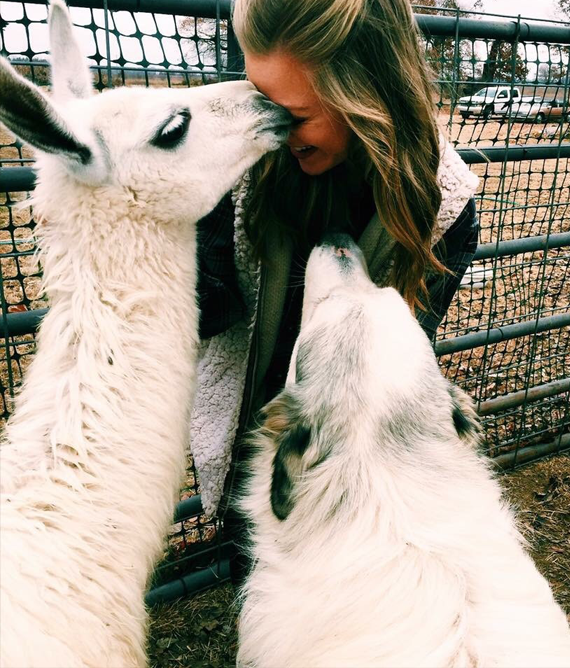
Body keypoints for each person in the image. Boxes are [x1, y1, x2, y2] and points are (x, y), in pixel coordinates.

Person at [190, 0, 479, 579]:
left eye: (292, 114)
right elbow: (207, 307)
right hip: (255, 439)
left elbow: (396, 355)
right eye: (259, 98)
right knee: (255, 577)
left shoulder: (443, 205)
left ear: (364, 95)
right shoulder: (241, 158)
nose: (269, 130)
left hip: (346, 474)